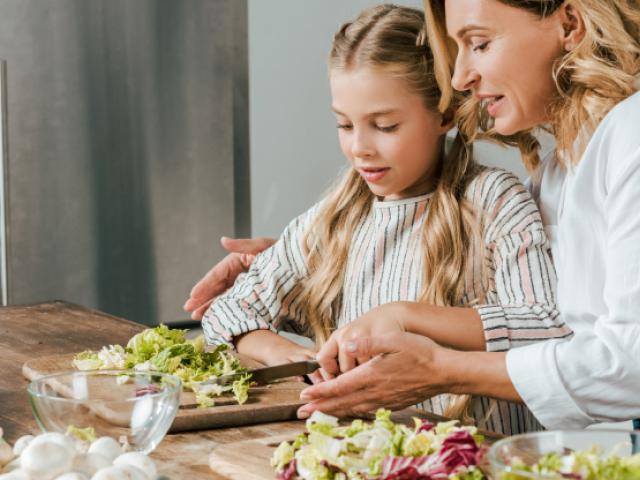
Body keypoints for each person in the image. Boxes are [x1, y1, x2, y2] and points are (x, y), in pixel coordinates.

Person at [193, 4, 572, 436]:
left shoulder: (494, 202)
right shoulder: (332, 220)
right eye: (344, 124)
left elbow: (546, 326)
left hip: (478, 458)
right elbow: (226, 314)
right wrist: (284, 356)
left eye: (385, 125)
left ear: (445, 113)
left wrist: (404, 315)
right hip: (372, 456)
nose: (360, 148)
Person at [294, 0, 639, 429]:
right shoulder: (558, 170)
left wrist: (441, 370)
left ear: (569, 24)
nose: (458, 78)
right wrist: (311, 256)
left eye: (479, 43)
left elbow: (630, 365)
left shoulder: (632, 136)